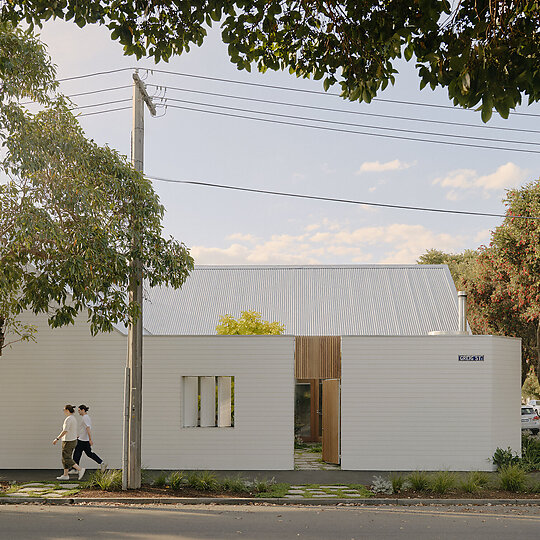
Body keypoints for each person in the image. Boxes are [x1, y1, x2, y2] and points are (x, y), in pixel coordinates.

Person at [52, 405, 85, 480]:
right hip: (71, 440)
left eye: (64, 410)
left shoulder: (68, 419)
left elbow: (65, 431)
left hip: (68, 441)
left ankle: (80, 469)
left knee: (66, 458)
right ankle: (65, 475)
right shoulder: (73, 418)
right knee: (65, 458)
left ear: (67, 410)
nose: (63, 411)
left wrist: (57, 438)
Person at [72, 405, 107, 473]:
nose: (78, 412)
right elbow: (85, 429)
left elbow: (88, 428)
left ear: (83, 410)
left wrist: (90, 439)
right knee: (89, 453)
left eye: (79, 410)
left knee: (76, 454)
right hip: (83, 439)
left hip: (82, 440)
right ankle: (101, 463)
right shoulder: (86, 417)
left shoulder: (85, 418)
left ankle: (75, 469)